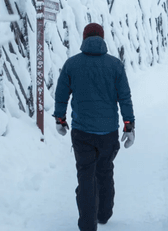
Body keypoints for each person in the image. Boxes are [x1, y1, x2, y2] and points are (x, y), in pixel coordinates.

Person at [53, 22, 135, 231]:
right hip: (108, 132)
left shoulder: (72, 64)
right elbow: (124, 97)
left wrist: (60, 119)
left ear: (84, 38)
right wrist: (129, 125)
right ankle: (104, 214)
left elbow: (61, 95)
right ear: (102, 38)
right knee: (105, 171)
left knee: (86, 175)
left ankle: (88, 225)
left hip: (82, 132)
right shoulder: (115, 65)